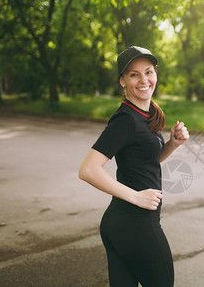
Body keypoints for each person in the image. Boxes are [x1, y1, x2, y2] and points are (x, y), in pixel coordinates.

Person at [79, 46, 189, 287]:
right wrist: (136, 197)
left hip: (120, 223)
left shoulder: (144, 116)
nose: (143, 80)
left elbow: (143, 162)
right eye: (133, 74)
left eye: (148, 72)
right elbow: (88, 170)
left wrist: (172, 145)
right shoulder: (126, 120)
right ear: (122, 81)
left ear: (156, 75)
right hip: (136, 224)